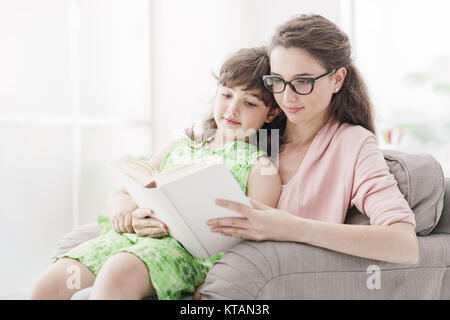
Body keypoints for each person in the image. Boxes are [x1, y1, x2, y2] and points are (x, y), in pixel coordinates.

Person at [29, 46, 283, 300]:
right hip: (133, 238)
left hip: (186, 255)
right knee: (50, 285)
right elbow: (124, 192)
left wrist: (219, 281)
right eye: (226, 94)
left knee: (118, 271)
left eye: (249, 102)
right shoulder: (182, 145)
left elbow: (255, 237)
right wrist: (124, 211)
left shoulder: (261, 168)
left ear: (271, 112)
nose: (232, 109)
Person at [206, 13, 419, 282]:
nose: (287, 96)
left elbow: (403, 244)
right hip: (212, 273)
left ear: (337, 79)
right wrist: (140, 214)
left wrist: (293, 228)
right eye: (278, 81)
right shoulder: (254, 128)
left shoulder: (352, 144)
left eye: (303, 82)